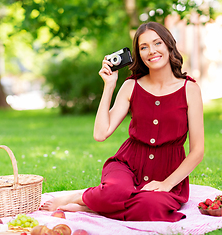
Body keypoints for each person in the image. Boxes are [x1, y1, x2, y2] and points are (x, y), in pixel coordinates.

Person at [40, 21, 204, 222]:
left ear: (169, 45)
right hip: (127, 165)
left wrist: (167, 184)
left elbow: (197, 151)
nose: (151, 51)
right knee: (116, 192)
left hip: (167, 171)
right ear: (139, 54)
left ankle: (92, 207)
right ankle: (81, 196)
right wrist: (109, 86)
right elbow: (100, 134)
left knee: (152, 206)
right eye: (143, 47)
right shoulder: (131, 86)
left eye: (157, 43)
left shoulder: (190, 90)